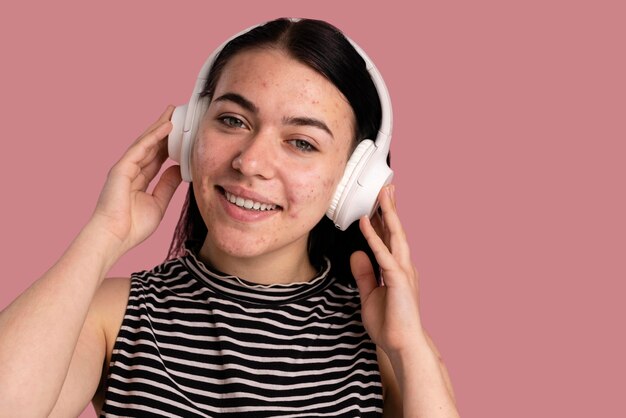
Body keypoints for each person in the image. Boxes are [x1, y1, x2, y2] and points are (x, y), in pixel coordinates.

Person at [0, 18, 459, 417]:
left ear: (351, 183)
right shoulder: (114, 316)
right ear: (190, 131)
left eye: (301, 142)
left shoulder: (384, 342)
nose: (250, 161)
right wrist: (104, 234)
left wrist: (408, 345)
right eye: (233, 120)